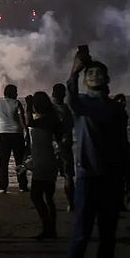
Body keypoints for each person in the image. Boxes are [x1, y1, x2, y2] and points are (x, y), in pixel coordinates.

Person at [59, 52, 130, 258]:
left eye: (99, 72)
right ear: (85, 80)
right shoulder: (80, 103)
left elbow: (123, 145)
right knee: (81, 235)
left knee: (108, 237)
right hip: (87, 179)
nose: (95, 75)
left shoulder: (116, 109)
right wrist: (75, 70)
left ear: (108, 78)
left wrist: (128, 181)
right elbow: (69, 95)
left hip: (111, 179)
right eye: (91, 73)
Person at [24, 92, 62, 240]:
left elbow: (28, 123)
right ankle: (51, 229)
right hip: (50, 162)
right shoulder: (53, 120)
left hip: (42, 163)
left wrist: (27, 106)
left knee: (36, 196)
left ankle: (48, 228)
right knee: (49, 198)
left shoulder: (41, 122)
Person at [0, 84, 28, 193]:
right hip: (17, 134)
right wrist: (27, 132)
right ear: (12, 93)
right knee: (19, 161)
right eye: (16, 92)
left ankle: (3, 186)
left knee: (3, 162)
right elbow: (22, 121)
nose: (17, 94)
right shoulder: (17, 103)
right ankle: (22, 185)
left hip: (4, 135)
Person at [52, 83, 75, 211]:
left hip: (52, 146)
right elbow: (71, 127)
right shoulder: (67, 111)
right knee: (68, 176)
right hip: (65, 146)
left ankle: (49, 201)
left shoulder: (49, 110)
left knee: (48, 176)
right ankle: (71, 203)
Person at [114, 94, 130, 204]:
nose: (123, 103)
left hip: (122, 145)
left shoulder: (122, 114)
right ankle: (126, 193)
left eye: (124, 101)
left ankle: (129, 192)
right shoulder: (118, 114)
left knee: (127, 171)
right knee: (123, 172)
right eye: (121, 101)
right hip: (117, 146)